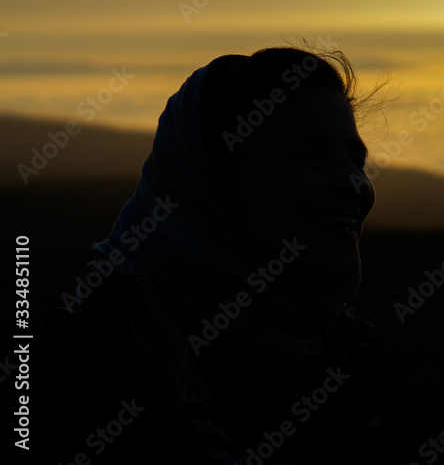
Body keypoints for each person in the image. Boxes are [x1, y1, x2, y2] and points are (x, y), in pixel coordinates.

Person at [37, 45, 400, 464]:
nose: (356, 186)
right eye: (310, 156)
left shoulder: (347, 360)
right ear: (208, 186)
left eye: (357, 161)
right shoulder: (92, 378)